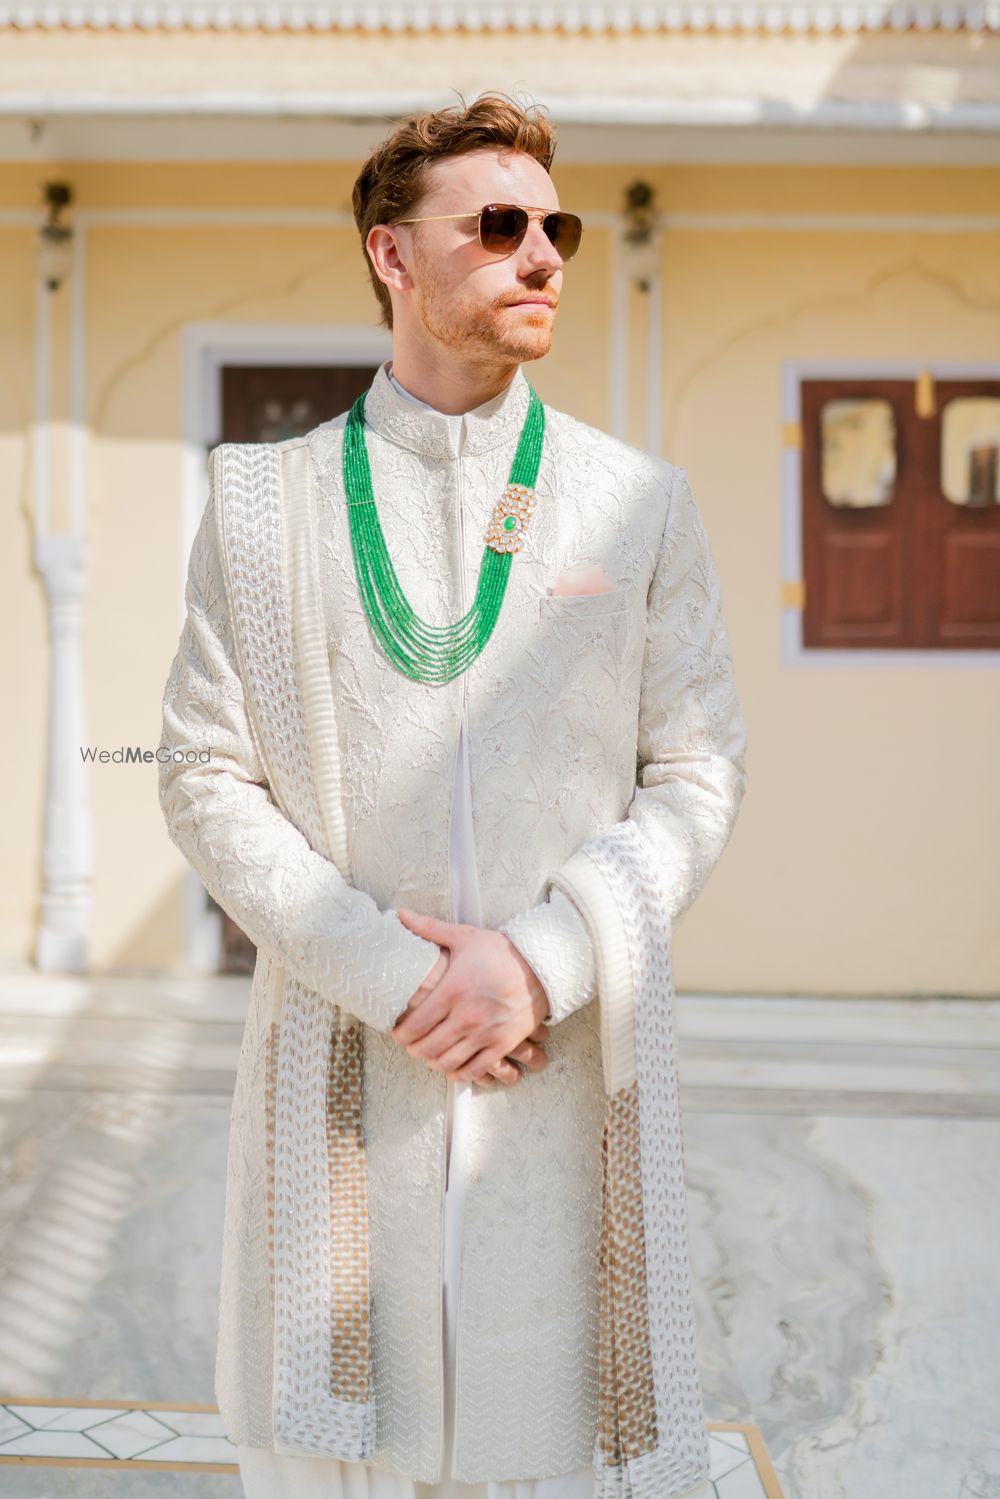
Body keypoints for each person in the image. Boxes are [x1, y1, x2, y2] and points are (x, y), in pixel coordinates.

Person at [159, 90, 746, 1499]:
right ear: (392, 257)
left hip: (561, 1063)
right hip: (347, 1065)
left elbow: (699, 766)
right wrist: (399, 982)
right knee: (333, 1451)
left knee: (555, 1445)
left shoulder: (635, 502)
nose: (542, 254)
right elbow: (201, 769)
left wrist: (541, 965)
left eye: (560, 228)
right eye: (497, 225)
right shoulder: (260, 503)